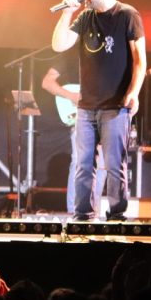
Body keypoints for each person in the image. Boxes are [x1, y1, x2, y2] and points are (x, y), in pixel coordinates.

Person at [51, 0, 146, 221]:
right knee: (83, 164)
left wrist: (134, 91)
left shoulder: (128, 15)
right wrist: (66, 14)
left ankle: (116, 215)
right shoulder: (85, 17)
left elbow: (140, 60)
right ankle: (82, 215)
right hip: (86, 106)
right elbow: (59, 45)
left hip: (115, 105)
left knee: (115, 165)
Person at [40, 49, 107, 215]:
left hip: (101, 116)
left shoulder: (108, 57)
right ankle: (74, 210)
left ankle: (94, 210)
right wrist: (70, 95)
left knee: (102, 165)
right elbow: (47, 82)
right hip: (80, 117)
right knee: (80, 161)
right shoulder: (69, 56)